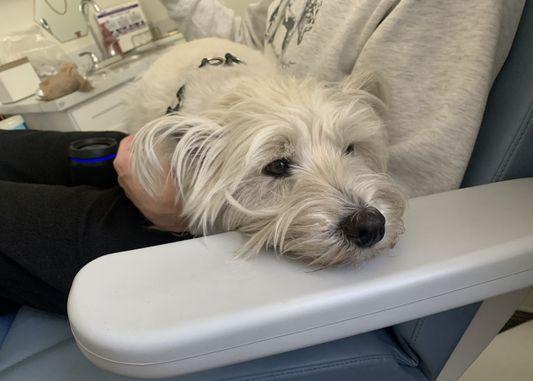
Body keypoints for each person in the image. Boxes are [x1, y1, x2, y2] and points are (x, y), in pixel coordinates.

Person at [0, 0, 525, 314]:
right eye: (280, 167)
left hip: (216, 222)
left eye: (349, 147)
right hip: (225, 140)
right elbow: (252, 36)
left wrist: (184, 209)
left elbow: (417, 174)